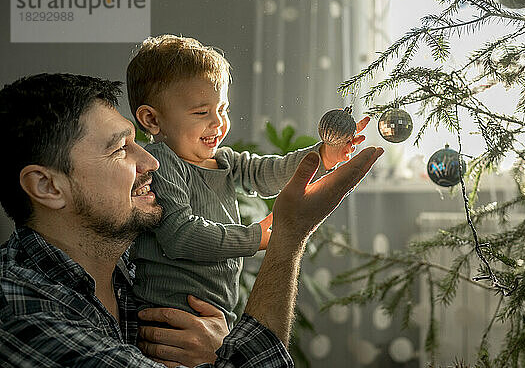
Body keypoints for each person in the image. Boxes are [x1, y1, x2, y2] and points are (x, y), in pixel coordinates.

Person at [0, 73, 383, 367]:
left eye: (136, 142)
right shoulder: (22, 313)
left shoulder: (134, 274)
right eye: (120, 149)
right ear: (47, 186)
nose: (151, 162)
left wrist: (219, 349)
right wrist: (288, 237)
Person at [126, 34, 370, 327]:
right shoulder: (160, 161)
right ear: (152, 120)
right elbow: (181, 236)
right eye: (202, 112)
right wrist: (255, 238)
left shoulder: (225, 162)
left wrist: (324, 155)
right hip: (166, 322)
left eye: (223, 109)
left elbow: (271, 173)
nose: (218, 123)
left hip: (217, 316)